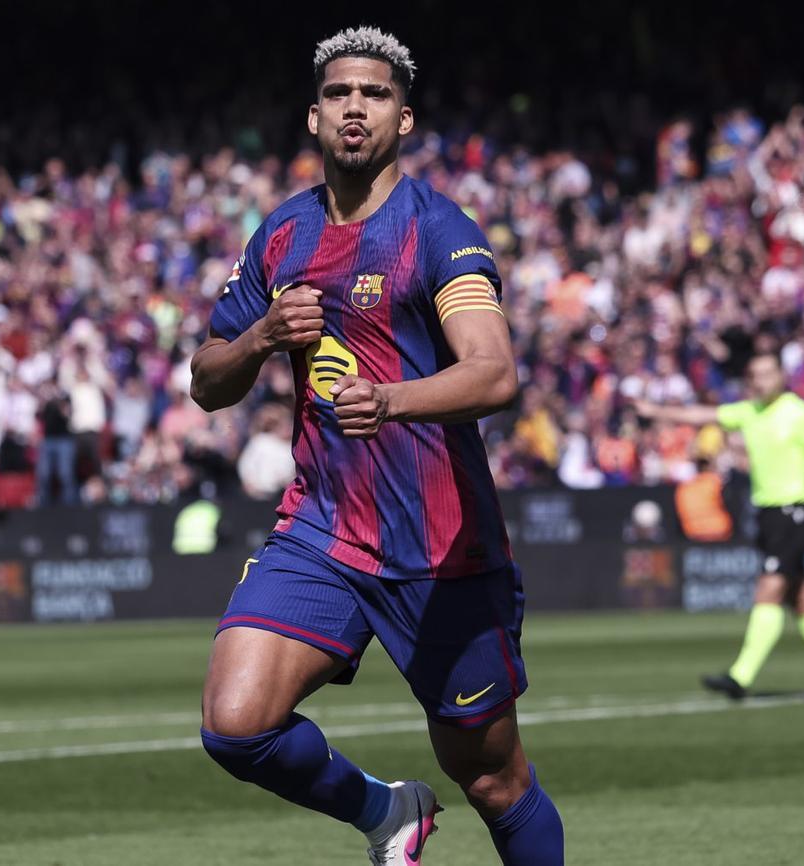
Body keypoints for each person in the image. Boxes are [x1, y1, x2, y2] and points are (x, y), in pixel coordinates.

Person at [191, 27, 563, 866]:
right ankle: (387, 814)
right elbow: (207, 380)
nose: (355, 106)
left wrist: (390, 399)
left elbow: (495, 373)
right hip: (323, 530)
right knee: (235, 725)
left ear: (404, 120)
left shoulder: (439, 229)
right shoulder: (280, 236)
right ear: (314, 118)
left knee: (493, 777)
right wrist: (256, 340)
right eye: (338, 94)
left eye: (376, 94)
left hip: (441, 551)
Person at [636, 351, 804, 700]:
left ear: (781, 375)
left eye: (768, 373)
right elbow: (702, 414)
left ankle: (740, 676)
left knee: (769, 590)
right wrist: (656, 411)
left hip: (793, 511)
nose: (762, 380)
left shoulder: (801, 415)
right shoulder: (748, 411)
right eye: (756, 375)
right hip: (768, 515)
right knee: (802, 596)